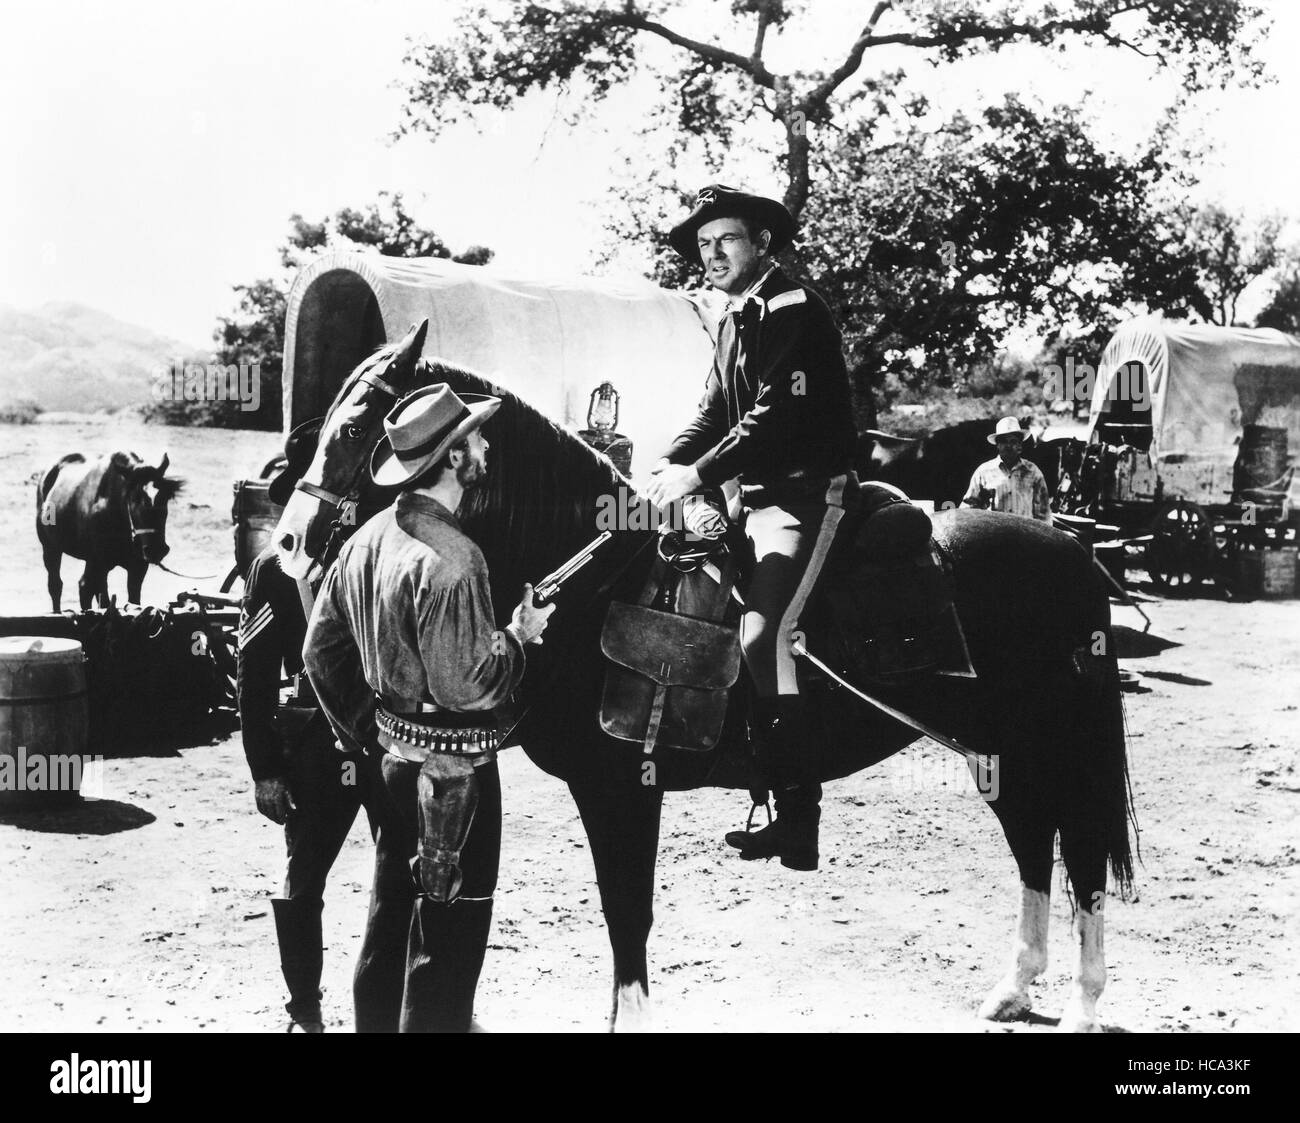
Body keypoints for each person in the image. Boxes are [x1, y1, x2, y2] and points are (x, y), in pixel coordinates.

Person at [303, 384, 553, 1032]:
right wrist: (519, 638)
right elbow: (464, 685)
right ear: (451, 457)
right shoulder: (456, 558)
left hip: (391, 769)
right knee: (445, 951)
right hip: (458, 781)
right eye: (476, 436)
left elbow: (318, 651)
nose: (487, 445)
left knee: (389, 926)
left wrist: (370, 737)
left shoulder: (365, 539)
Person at [643, 184, 860, 873]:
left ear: (762, 241)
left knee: (765, 638)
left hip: (803, 497)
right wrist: (667, 463)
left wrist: (696, 474)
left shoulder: (792, 308)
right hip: (749, 500)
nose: (712, 254)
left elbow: (775, 418)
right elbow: (713, 413)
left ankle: (799, 817)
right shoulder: (736, 316)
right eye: (704, 245)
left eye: (726, 239)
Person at [238, 418, 391, 1033]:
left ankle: (410, 997)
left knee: (408, 870)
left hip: (387, 738)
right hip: (316, 744)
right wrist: (265, 769)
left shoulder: (387, 557)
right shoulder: (275, 572)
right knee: (302, 881)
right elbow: (252, 677)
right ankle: (304, 1007)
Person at [961, 416, 1052, 523]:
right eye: (1004, 441)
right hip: (993, 535)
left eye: (1013, 441)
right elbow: (968, 508)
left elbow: (1043, 513)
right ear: (997, 445)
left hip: (1025, 536)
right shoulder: (983, 472)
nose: (1008, 446)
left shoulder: (1033, 472)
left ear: (1020, 445)